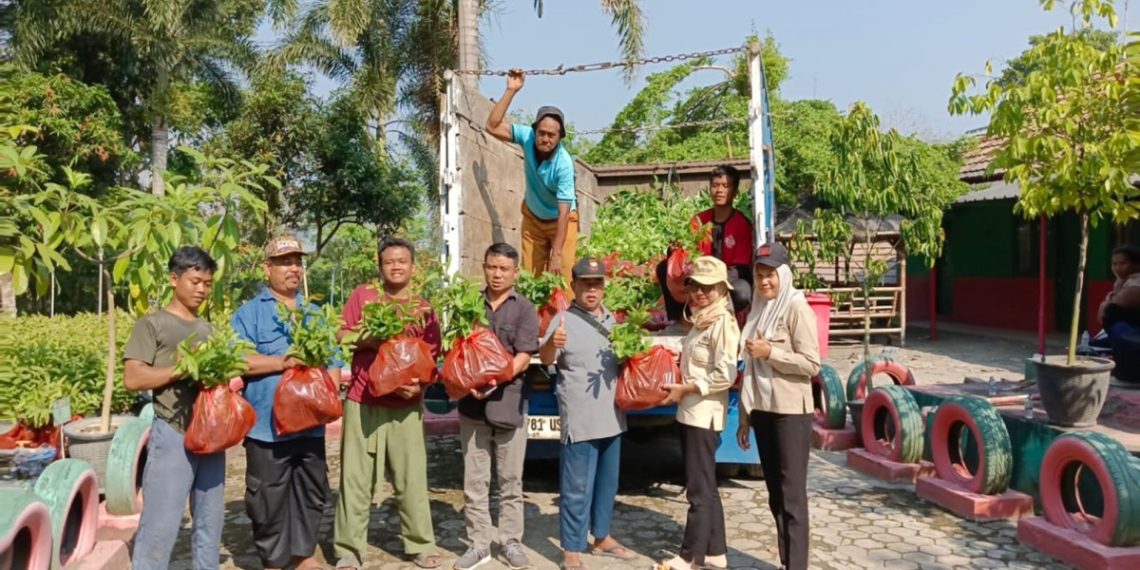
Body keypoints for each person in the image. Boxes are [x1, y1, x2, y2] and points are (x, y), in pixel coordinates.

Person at [231, 236, 342, 570]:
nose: (293, 268)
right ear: (268, 269)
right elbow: (241, 361)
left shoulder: (315, 313)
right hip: (267, 428)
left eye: (297, 262)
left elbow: (333, 360)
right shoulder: (249, 313)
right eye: (284, 262)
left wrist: (328, 397)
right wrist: (284, 362)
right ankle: (274, 560)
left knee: (311, 490)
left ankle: (304, 552)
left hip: (309, 425)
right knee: (268, 498)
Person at [333, 237, 443, 570]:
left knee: (411, 477)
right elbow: (341, 334)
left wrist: (419, 387)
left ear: (413, 266)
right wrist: (372, 337)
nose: (396, 266)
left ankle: (420, 545)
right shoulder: (364, 296)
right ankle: (348, 550)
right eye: (389, 261)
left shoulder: (423, 308)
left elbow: (432, 356)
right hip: (362, 399)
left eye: (402, 261)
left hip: (405, 405)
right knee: (355, 477)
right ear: (380, 266)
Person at [123, 246, 221, 570]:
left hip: (209, 433)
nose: (202, 289)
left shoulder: (208, 329)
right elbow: (133, 377)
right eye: (195, 281)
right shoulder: (153, 325)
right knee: (160, 526)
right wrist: (180, 370)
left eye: (207, 283)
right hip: (172, 433)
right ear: (173, 278)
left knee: (210, 522)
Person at [539, 257, 634, 570]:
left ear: (603, 286)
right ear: (574, 286)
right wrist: (553, 343)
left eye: (596, 284)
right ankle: (572, 548)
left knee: (607, 484)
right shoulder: (562, 320)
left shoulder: (612, 320)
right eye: (585, 284)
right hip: (580, 418)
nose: (591, 290)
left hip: (612, 415)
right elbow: (546, 357)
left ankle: (602, 536)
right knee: (577, 486)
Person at [453, 243, 541, 570]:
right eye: (492, 267)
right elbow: (457, 348)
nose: (497, 274)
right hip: (471, 405)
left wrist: (496, 378)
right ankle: (478, 545)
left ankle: (511, 541)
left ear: (515, 272)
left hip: (509, 402)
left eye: (504, 268)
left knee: (510, 480)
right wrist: (468, 381)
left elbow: (524, 355)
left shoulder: (525, 309)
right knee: (475, 482)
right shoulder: (468, 305)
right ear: (484, 267)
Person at [736, 242, 821, 570]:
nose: (764, 281)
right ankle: (787, 562)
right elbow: (749, 371)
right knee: (775, 494)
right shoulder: (758, 309)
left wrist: (772, 352)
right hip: (763, 412)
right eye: (759, 275)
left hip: (790, 414)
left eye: (769, 274)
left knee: (793, 497)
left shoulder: (796, 308)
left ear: (783, 274)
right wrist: (745, 419)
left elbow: (812, 363)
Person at [658, 257, 741, 570]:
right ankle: (716, 552)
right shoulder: (701, 318)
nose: (701, 293)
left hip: (702, 414)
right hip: (691, 412)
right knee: (706, 485)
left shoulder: (722, 323)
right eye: (696, 287)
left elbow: (725, 375)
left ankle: (689, 556)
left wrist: (687, 388)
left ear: (722, 288)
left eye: (708, 287)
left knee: (697, 489)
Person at [485, 68, 578, 281]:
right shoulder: (526, 136)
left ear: (559, 137)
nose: (545, 139)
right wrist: (511, 90)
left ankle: (564, 315)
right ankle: (533, 315)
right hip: (533, 218)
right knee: (531, 280)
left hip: (561, 221)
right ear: (535, 131)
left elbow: (564, 212)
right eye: (542, 133)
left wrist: (556, 253)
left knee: (563, 277)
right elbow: (492, 126)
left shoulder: (563, 164)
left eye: (551, 135)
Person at [657, 165, 754, 321]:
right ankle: (680, 320)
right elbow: (687, 253)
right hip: (698, 275)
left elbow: (740, 268)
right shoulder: (699, 220)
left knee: (742, 292)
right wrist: (675, 253)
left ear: (735, 192)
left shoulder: (741, 224)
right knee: (663, 267)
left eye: (725, 186)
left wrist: (714, 281)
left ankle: (724, 321)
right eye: (715, 186)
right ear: (710, 189)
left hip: (726, 278)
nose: (719, 190)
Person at [1098, 244, 1140, 341]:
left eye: (1122, 263)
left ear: (1137, 264)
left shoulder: (1137, 280)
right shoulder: (1121, 281)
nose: (1117, 268)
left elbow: (1124, 299)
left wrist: (1107, 304)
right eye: (1114, 264)